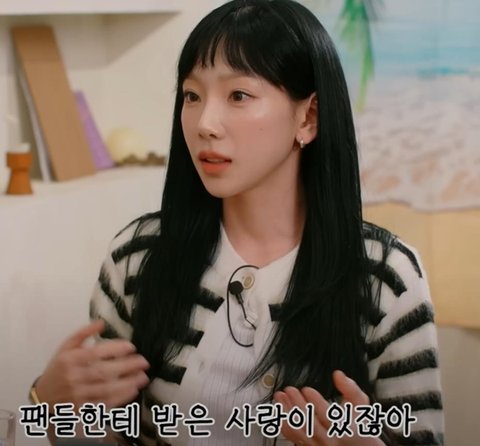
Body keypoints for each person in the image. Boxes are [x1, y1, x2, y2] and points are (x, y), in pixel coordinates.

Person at [32, 1, 444, 445]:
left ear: (308, 117)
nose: (205, 124)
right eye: (192, 96)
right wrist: (48, 406)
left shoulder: (385, 275)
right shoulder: (138, 255)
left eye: (238, 96)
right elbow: (103, 436)